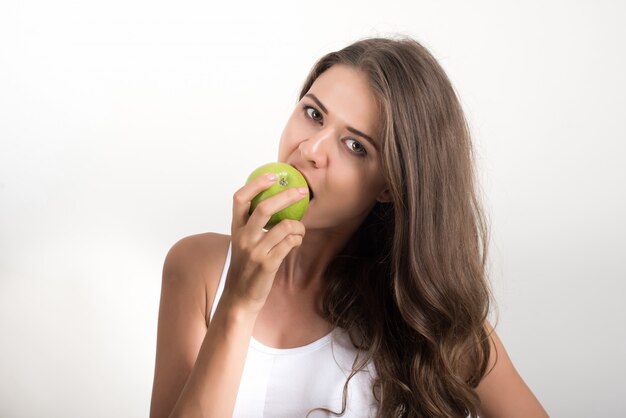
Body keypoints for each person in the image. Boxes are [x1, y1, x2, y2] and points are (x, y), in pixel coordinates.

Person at [149, 36, 549, 418]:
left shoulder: (428, 316)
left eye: (355, 145)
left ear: (389, 187)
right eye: (313, 114)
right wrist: (238, 302)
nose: (310, 150)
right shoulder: (196, 268)